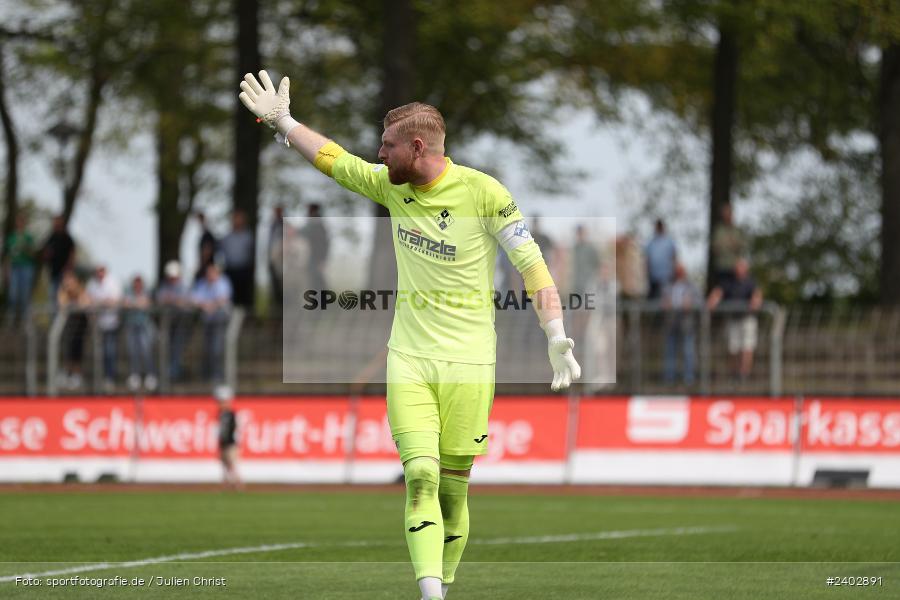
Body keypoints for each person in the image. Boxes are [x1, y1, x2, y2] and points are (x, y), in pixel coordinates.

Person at [239, 70, 581, 600]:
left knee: (452, 490)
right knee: (419, 475)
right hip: (410, 360)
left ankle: (445, 581)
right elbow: (334, 160)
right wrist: (284, 124)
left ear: (416, 147)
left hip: (470, 363)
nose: (378, 155)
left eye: (387, 145)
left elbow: (532, 267)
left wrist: (555, 333)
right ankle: (431, 594)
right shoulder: (388, 185)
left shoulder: (484, 193)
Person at [707, 257, 763, 381]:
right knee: (733, 348)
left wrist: (756, 302)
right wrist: (712, 302)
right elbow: (717, 294)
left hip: (747, 319)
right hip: (733, 319)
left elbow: (757, 296)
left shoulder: (751, 282)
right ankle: (734, 373)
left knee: (747, 347)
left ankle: (744, 374)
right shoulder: (727, 282)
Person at [191, 263, 232, 383]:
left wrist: (210, 305)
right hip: (207, 322)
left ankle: (218, 375)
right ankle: (207, 374)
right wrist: (206, 305)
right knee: (207, 349)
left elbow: (223, 298)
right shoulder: (202, 284)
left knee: (217, 349)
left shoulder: (223, 283)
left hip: (220, 322)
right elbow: (195, 299)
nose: (210, 275)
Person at [662, 263, 701, 386]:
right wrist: (665, 304)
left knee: (688, 351)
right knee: (670, 352)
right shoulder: (668, 286)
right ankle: (670, 378)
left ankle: (688, 378)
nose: (678, 273)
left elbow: (699, 301)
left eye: (681, 270)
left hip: (686, 323)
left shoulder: (692, 286)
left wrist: (691, 303)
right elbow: (662, 301)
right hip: (672, 323)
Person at [86, 265, 122, 394]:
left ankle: (109, 377)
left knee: (109, 351)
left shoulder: (113, 282)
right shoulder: (91, 284)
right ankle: (98, 377)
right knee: (98, 353)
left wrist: (100, 303)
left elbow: (114, 301)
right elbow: (87, 300)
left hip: (110, 323)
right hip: (97, 325)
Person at [156, 260, 192, 382]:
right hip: (168, 324)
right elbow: (161, 299)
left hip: (181, 324)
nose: (172, 279)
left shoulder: (184, 287)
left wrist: (173, 301)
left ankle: (174, 374)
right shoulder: (164, 286)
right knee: (167, 348)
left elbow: (185, 301)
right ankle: (167, 374)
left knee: (178, 349)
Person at [123, 275, 157, 392]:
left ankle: (150, 375)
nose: (137, 286)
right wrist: (136, 304)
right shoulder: (128, 291)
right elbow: (126, 304)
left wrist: (135, 304)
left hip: (144, 326)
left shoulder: (147, 292)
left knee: (146, 351)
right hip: (131, 326)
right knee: (133, 351)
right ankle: (135, 375)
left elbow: (145, 303)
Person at [57, 270, 89, 391]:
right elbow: (62, 304)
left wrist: (75, 298)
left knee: (77, 351)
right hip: (68, 328)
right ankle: (67, 373)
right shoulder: (63, 291)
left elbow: (84, 303)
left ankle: (76, 375)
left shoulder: (81, 290)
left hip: (80, 328)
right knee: (67, 350)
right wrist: (65, 291)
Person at [3, 213, 37, 325]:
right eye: (19, 222)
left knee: (24, 295)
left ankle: (25, 322)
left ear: (25, 224)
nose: (20, 224)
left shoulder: (29, 238)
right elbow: (7, 256)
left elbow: (33, 254)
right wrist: (6, 271)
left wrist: (26, 246)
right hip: (14, 268)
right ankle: (11, 320)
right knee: (13, 295)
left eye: (22, 222)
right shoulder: (11, 238)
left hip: (26, 268)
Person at [220, 210, 254, 308]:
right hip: (230, 269)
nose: (237, 221)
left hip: (244, 270)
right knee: (231, 294)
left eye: (239, 219)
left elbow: (251, 253)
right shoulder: (227, 237)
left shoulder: (248, 237)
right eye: (235, 219)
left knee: (244, 296)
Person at [40, 215, 76, 311]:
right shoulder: (51, 236)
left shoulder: (67, 238)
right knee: (52, 296)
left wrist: (69, 269)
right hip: (53, 272)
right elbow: (45, 252)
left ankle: (62, 320)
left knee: (62, 298)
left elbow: (72, 254)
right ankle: (54, 321)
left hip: (64, 273)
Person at [711, 204, 746, 287]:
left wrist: (730, 243)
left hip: (735, 268)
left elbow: (741, 246)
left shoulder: (736, 230)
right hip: (721, 266)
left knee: (735, 289)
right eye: (725, 214)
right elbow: (715, 248)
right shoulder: (718, 230)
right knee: (722, 289)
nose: (727, 216)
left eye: (728, 213)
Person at [299, 203, 329, 293]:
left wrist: (322, 259)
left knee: (316, 278)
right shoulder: (317, 224)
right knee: (315, 278)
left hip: (316, 257)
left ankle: (320, 300)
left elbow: (322, 243)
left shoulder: (316, 224)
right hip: (314, 256)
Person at [215, 385, 241, 488]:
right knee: (224, 464)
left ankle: (237, 482)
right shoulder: (221, 414)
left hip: (231, 443)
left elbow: (234, 428)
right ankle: (226, 483)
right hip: (224, 443)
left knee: (231, 463)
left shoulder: (231, 414)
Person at [645, 218, 676, 300]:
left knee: (665, 299)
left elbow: (674, 258)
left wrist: (673, 274)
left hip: (666, 277)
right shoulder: (651, 243)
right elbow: (647, 260)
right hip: (653, 278)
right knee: (653, 300)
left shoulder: (669, 242)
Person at [267, 205, 285, 310]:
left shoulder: (283, 225)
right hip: (273, 261)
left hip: (281, 262)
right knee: (274, 289)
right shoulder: (272, 225)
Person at [195, 211, 218, 281]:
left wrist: (203, 264)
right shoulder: (203, 234)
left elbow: (207, 250)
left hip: (206, 267)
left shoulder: (207, 235)